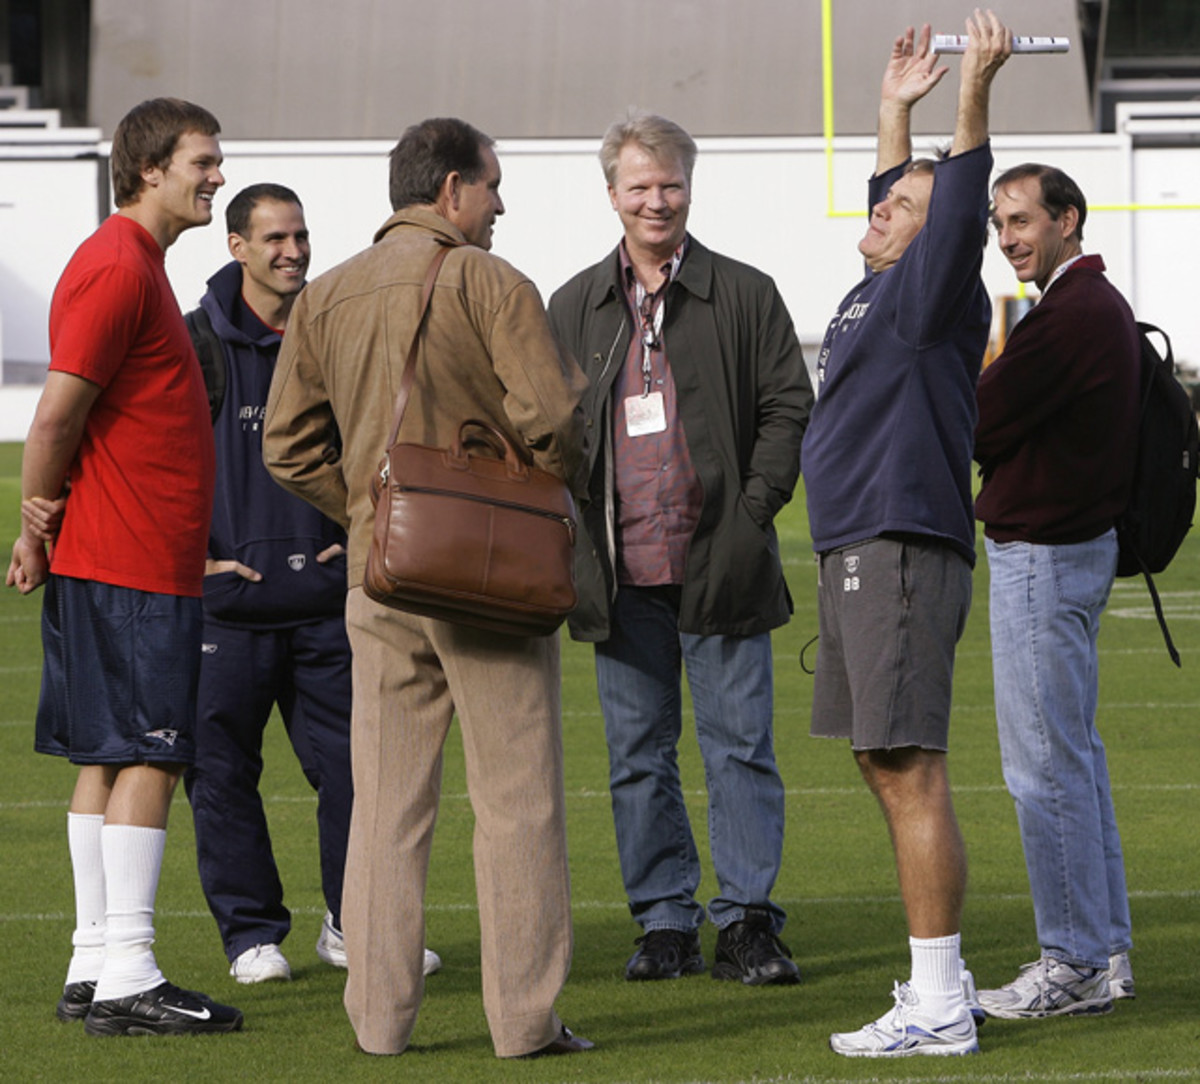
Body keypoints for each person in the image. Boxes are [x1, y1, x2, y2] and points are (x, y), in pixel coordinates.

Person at [261, 117, 591, 1059]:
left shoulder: (324, 294)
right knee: (517, 803)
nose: (499, 204)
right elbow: (556, 418)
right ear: (451, 189)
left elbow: (285, 446)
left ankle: (378, 1021)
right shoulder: (490, 280)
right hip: (489, 577)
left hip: (383, 576)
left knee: (386, 805)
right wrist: (526, 489)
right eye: (492, 187)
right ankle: (525, 1023)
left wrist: (372, 512)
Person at [546, 112, 810, 986]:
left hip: (721, 565)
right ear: (612, 193)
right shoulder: (575, 303)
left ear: (689, 188)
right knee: (636, 757)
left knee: (739, 750)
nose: (656, 200)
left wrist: (753, 509)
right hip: (619, 578)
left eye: (670, 184)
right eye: (639, 186)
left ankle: (745, 921)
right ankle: (663, 921)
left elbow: (787, 406)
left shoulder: (744, 290)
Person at [5, 97, 243, 1035]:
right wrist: (34, 524)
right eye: (204, 161)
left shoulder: (130, 263)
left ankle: (92, 963)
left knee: (107, 755)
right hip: (130, 561)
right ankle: (130, 976)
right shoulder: (117, 268)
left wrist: (44, 529)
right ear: (149, 169)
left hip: (122, 558)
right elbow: (57, 413)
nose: (216, 176)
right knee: (152, 751)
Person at [801, 14, 1011, 1057]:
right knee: (884, 763)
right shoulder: (881, 283)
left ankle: (937, 1002)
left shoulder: (934, 291)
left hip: (899, 545)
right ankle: (940, 980)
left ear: (938, 236)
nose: (883, 208)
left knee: (910, 763)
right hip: (855, 547)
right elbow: (915, 195)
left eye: (904, 207)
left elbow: (952, 201)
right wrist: (893, 110)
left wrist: (972, 91)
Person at [180, 183, 441, 985]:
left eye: (300, 235)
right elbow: (157, 463)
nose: (292, 250)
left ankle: (350, 921)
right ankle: (251, 935)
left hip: (332, 601)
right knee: (223, 776)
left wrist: (354, 536)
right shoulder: (196, 343)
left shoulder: (335, 325)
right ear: (236, 248)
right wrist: (191, 561)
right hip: (227, 606)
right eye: (274, 238)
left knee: (357, 772)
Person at [973, 163, 1139, 1020]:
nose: (1007, 237)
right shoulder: (1087, 305)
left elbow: (980, 416)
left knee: (1042, 766)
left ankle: (1071, 959)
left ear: (1068, 220)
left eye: (1021, 220)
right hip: (1070, 551)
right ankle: (1104, 949)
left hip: (1044, 553)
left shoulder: (1070, 313)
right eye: (1000, 223)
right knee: (1071, 757)